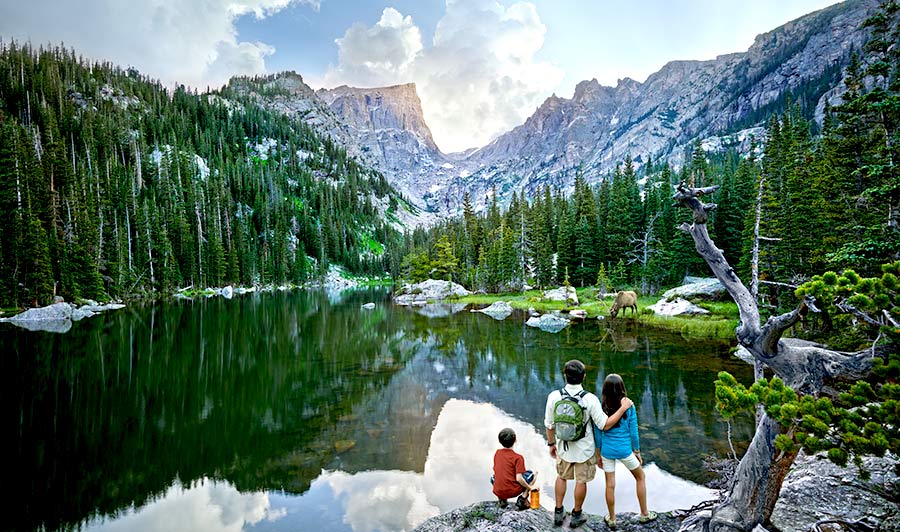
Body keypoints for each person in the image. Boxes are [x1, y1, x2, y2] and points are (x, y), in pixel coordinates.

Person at [545, 360, 633, 528]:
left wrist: (551, 444)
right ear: (583, 377)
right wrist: (622, 409)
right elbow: (604, 424)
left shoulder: (554, 396)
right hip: (584, 450)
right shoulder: (590, 399)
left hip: (563, 448)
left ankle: (558, 512)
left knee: (561, 477)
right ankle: (576, 515)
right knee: (581, 481)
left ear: (565, 376)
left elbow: (549, 425)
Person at [594, 373, 657, 527]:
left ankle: (612, 519)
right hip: (625, 451)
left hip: (607, 451)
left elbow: (597, 433)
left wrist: (598, 455)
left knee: (610, 484)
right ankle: (644, 514)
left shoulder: (601, 406)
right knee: (640, 477)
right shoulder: (629, 406)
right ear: (622, 388)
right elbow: (633, 431)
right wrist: (637, 452)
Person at [491, 427, 537, 508]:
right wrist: (531, 487)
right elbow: (519, 478)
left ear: (499, 441)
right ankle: (523, 499)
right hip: (513, 491)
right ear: (515, 439)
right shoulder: (518, 458)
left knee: (492, 477)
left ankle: (502, 500)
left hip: (498, 490)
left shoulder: (497, 453)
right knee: (533, 473)